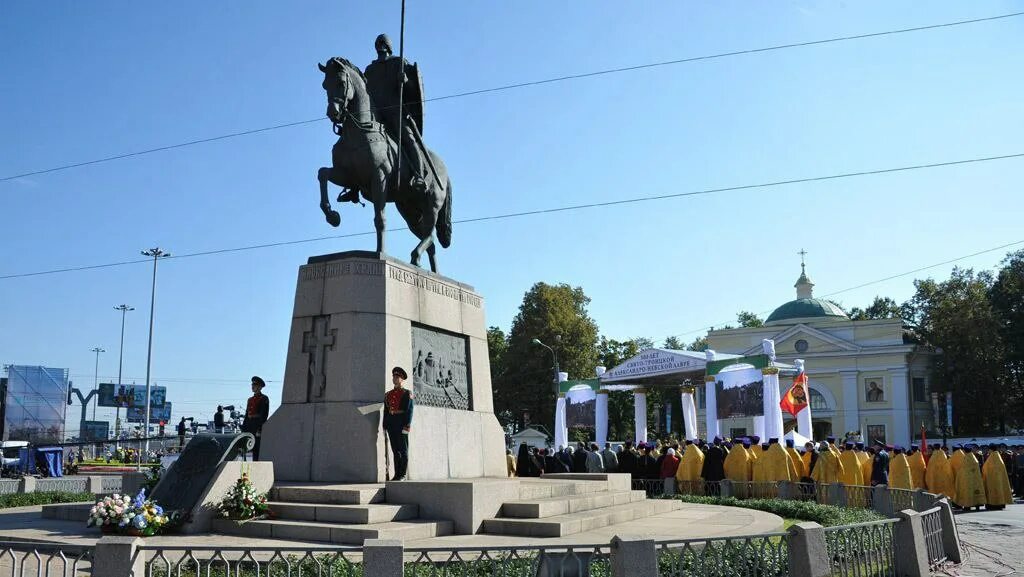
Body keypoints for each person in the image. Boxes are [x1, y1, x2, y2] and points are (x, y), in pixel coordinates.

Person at [361, 33, 429, 197]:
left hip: (395, 112)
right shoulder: (370, 70)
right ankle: (354, 185)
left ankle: (419, 176)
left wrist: (405, 81)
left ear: (389, 46)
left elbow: (413, 90)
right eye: (378, 43)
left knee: (409, 139)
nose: (380, 46)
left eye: (383, 43)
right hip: (376, 115)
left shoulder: (398, 63)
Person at [382, 367, 414, 480]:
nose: (395, 378)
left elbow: (409, 411)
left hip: (401, 425)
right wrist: (385, 425)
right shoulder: (388, 394)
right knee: (395, 450)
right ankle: (396, 474)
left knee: (403, 450)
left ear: (402, 379)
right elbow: (386, 411)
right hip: (391, 425)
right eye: (394, 377)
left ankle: (403, 474)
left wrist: (407, 426)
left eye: (397, 377)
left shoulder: (407, 393)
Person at [241, 376, 271, 461]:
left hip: (256, 427)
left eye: (255, 385)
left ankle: (255, 467)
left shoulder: (264, 398)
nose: (252, 387)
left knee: (256, 450)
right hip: (249, 426)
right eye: (252, 385)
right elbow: (247, 415)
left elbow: (264, 415)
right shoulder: (250, 400)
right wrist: (243, 428)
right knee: (246, 449)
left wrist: (260, 429)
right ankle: (245, 470)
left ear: (260, 387)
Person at [954, 446, 986, 510]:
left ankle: (967, 506)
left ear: (965, 451)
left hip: (967, 480)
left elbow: (962, 470)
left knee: (967, 492)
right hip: (975, 479)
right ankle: (977, 505)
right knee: (976, 491)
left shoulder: (965, 459)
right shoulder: (974, 458)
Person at [981, 444, 1012, 510]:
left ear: (991, 449)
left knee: (992, 491)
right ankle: (1000, 504)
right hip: (999, 478)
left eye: (989, 449)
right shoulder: (998, 456)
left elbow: (986, 467)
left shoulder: (992, 456)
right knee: (1000, 490)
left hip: (991, 479)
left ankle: (993, 504)